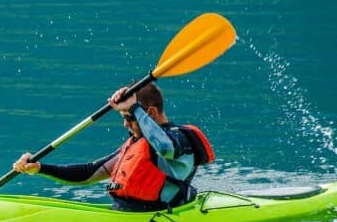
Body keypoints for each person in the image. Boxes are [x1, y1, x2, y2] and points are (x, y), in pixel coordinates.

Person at [11, 83, 211, 212]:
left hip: (160, 217)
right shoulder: (137, 143)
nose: (125, 125)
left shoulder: (180, 139)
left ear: (149, 113)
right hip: (124, 215)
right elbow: (89, 173)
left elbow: (166, 148)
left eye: (128, 118)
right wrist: (40, 168)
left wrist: (134, 108)